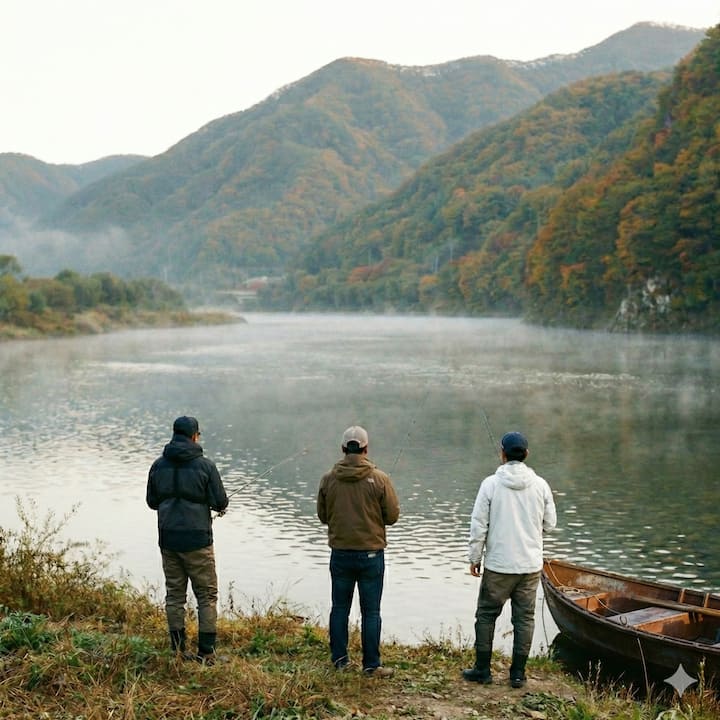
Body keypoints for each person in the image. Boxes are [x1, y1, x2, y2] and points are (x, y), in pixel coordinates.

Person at [463, 431, 556, 688]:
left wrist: (475, 557)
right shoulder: (541, 485)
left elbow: (478, 525)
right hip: (530, 566)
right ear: (526, 454)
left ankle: (482, 670)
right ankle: (517, 674)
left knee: (486, 615)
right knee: (524, 619)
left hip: (498, 566)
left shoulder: (490, 484)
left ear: (502, 454)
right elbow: (550, 523)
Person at [317, 425, 400, 677]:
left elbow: (323, 516)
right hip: (371, 555)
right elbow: (392, 517)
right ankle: (371, 665)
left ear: (343, 448)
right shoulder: (380, 479)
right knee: (371, 612)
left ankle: (339, 661)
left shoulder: (328, 479)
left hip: (340, 553)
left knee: (339, 608)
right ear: (366, 449)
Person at [146, 415, 229, 663]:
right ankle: (206, 653)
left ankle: (178, 650)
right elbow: (220, 502)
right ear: (194, 436)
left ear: (174, 434)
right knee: (206, 595)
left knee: (174, 595)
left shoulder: (158, 466)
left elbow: (152, 502)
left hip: (168, 539)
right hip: (198, 541)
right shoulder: (206, 466)